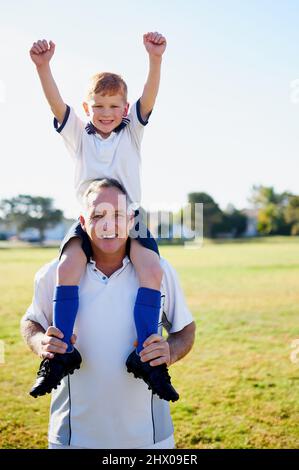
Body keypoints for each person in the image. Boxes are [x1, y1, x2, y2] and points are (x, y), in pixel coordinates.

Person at [28, 33, 173, 399]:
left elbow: (150, 96)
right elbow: (55, 103)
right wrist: (43, 67)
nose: (106, 114)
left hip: (131, 220)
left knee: (153, 271)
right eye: (99, 106)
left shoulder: (132, 133)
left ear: (125, 109)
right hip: (88, 222)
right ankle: (59, 357)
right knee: (66, 269)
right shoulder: (78, 135)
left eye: (113, 107)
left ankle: (146, 357)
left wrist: (155, 60)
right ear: (87, 108)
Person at [21, 179, 195, 449]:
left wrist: (169, 351)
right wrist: (39, 342)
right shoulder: (53, 272)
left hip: (149, 438)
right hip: (71, 437)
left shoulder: (160, 270)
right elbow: (30, 322)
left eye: (117, 215)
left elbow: (185, 330)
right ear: (82, 220)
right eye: (98, 215)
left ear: (131, 220)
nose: (108, 224)